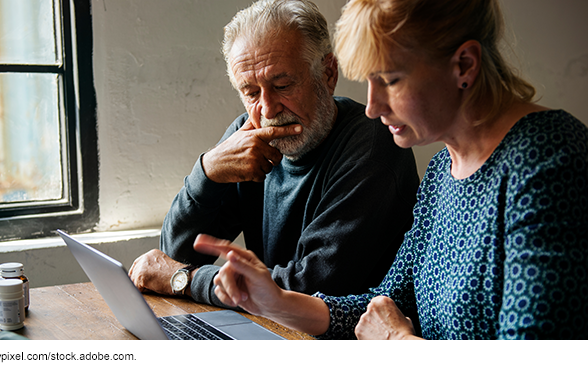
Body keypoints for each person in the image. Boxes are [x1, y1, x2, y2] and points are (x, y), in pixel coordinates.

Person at [194, 0, 588, 339]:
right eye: (368, 80)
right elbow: (386, 303)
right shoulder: (442, 172)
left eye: (390, 80)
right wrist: (275, 301)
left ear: (464, 65)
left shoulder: (548, 161)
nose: (372, 107)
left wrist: (399, 344)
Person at [128, 0, 420, 307]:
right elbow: (176, 254)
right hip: (272, 331)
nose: (267, 109)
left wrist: (185, 281)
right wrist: (207, 171)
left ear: (328, 74)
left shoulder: (373, 148)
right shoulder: (248, 136)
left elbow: (308, 290)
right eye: (251, 93)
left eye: (282, 85)